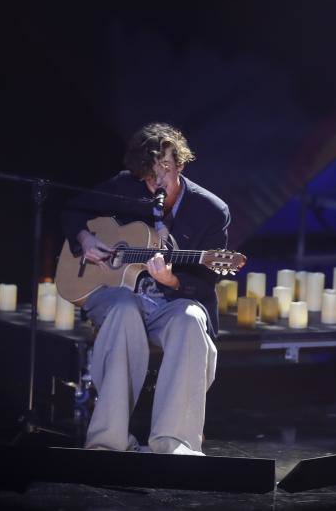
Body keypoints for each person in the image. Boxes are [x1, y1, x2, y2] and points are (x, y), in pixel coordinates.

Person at [61, 122, 229, 455]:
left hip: (172, 300)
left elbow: (206, 282)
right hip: (117, 294)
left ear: (180, 164)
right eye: (149, 175)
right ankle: (108, 442)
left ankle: (174, 443)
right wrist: (85, 239)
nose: (157, 181)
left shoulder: (210, 210)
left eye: (165, 169)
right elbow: (73, 208)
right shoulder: (126, 187)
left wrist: (173, 280)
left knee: (191, 321)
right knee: (124, 311)